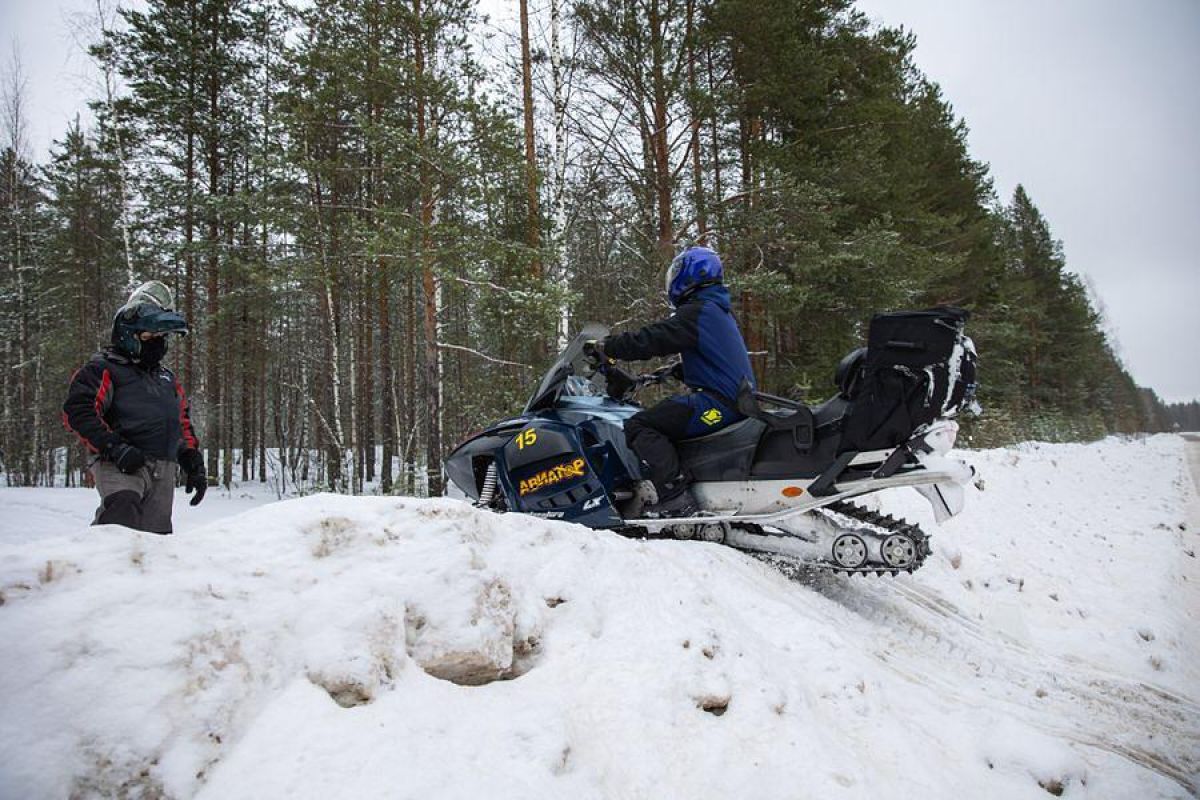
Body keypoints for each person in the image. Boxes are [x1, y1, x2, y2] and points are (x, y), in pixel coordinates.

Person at [588, 246, 756, 517]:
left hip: (717, 404)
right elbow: (712, 358)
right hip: (731, 399)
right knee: (664, 419)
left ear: (690, 275)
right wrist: (665, 374)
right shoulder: (715, 309)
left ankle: (675, 495)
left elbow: (655, 338)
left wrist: (610, 347)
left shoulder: (699, 311)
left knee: (640, 425)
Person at [62, 281, 207, 534]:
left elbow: (180, 422)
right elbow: (78, 411)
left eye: (162, 337)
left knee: (155, 540)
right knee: (120, 519)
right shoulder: (103, 369)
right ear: (130, 334)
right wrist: (115, 447)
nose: (158, 343)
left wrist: (191, 459)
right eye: (150, 337)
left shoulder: (166, 379)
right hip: (120, 462)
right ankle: (90, 567)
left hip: (163, 466)